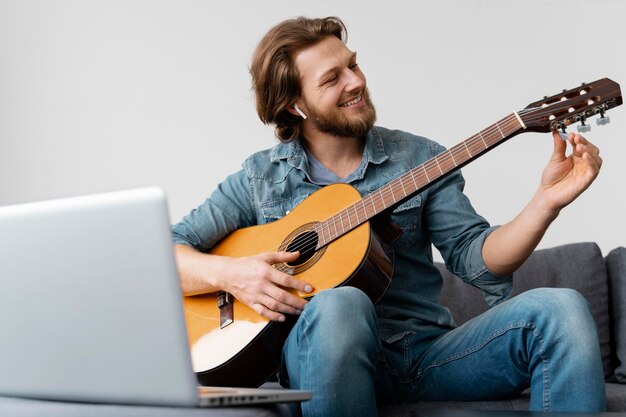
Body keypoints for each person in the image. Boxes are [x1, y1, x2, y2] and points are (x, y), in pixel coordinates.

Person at [171, 16, 606, 416]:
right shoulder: (261, 179)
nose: (356, 82)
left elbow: (477, 258)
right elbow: (162, 254)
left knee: (561, 307)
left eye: (353, 66)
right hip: (324, 360)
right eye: (332, 78)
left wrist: (545, 202)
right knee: (341, 303)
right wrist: (232, 275)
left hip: (427, 355)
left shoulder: (418, 159)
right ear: (295, 106)